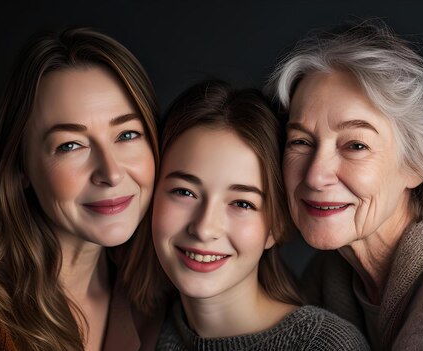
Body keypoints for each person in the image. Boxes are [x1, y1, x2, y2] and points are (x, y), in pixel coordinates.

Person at [265, 18, 423, 350]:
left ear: (416, 164)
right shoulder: (333, 273)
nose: (315, 175)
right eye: (300, 142)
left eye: (355, 146)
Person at [0, 27, 163, 350]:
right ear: (20, 165)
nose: (110, 172)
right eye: (70, 145)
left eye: (126, 135)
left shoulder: (160, 305)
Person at [139, 79, 370, 350]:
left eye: (242, 203)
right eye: (185, 192)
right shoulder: (139, 329)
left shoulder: (322, 345)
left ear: (276, 226)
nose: (204, 228)